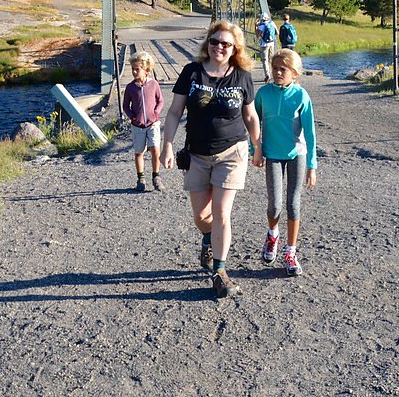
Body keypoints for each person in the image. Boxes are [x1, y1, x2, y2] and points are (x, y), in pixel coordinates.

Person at [160, 21, 262, 298]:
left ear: (234, 49)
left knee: (221, 213)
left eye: (225, 44)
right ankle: (208, 238)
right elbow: (173, 113)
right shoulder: (191, 73)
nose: (219, 47)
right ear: (207, 43)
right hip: (196, 153)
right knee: (201, 216)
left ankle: (220, 271)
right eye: (215, 41)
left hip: (233, 152)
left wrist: (258, 145)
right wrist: (167, 145)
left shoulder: (241, 76)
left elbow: (250, 115)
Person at [253, 49, 318, 277]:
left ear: (294, 73)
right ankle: (272, 235)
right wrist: (256, 150)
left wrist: (312, 165)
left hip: (297, 155)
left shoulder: (301, 96)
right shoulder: (263, 94)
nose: (278, 72)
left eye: (283, 69)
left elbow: (310, 133)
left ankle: (291, 252)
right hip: (272, 154)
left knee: (293, 203)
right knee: (275, 205)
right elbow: (254, 123)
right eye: (275, 68)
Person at [122, 51, 164, 192]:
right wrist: (132, 117)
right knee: (139, 151)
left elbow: (160, 100)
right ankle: (141, 178)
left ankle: (156, 176)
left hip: (153, 123)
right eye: (132, 69)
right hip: (137, 125)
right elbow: (125, 106)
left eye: (137, 69)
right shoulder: (130, 87)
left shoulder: (154, 84)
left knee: (155, 148)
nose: (134, 72)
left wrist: (156, 113)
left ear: (146, 70)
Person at [256, 13, 278, 82]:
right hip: (272, 43)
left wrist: (256, 27)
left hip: (264, 45)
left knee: (265, 60)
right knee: (271, 60)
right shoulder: (272, 23)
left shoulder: (262, 25)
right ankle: (273, 74)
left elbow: (257, 35)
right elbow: (277, 33)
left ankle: (267, 75)